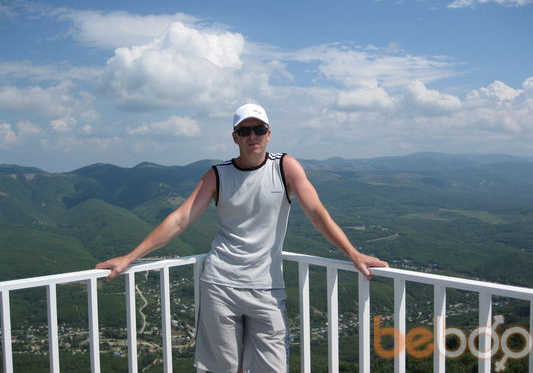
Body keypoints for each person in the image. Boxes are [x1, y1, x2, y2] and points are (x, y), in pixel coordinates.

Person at [96, 103, 388, 373]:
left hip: (267, 288)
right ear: (234, 137)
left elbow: (317, 213)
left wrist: (353, 254)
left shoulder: (285, 167)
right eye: (245, 131)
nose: (253, 136)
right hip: (220, 286)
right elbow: (180, 219)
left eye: (259, 129)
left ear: (269, 134)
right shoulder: (217, 175)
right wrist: (129, 258)